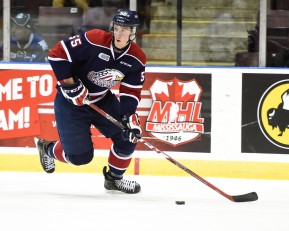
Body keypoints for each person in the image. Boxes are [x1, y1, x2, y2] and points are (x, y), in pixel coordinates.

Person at [35, 9, 146, 194]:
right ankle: (47, 148)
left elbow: (131, 90)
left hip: (102, 100)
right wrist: (70, 86)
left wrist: (129, 116)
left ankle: (114, 180)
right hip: (71, 103)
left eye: (124, 30)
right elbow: (57, 54)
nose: (119, 34)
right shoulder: (94, 39)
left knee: (127, 137)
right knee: (80, 158)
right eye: (117, 28)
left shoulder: (137, 58)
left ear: (133, 32)